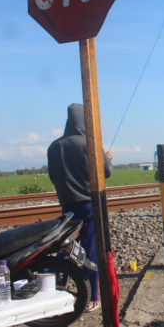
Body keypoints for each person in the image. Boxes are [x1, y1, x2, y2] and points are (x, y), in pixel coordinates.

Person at [47, 103, 112, 312]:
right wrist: (108, 159)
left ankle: (58, 288)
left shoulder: (54, 146)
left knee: (65, 245)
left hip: (67, 204)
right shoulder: (90, 143)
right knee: (91, 248)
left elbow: (53, 176)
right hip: (90, 205)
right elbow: (106, 172)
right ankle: (93, 296)